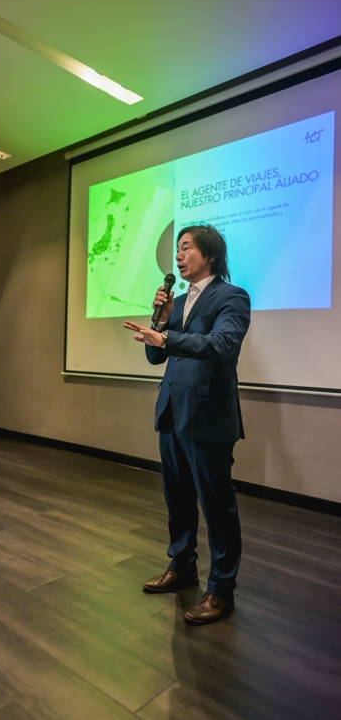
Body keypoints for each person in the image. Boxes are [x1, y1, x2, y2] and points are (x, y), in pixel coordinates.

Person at [124, 225, 251, 625]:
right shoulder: (177, 302)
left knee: (217, 506)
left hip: (208, 416)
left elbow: (222, 345)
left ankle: (221, 589)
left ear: (210, 255)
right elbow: (155, 358)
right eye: (177, 250)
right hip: (172, 413)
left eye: (186, 248)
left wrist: (167, 338)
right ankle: (182, 567)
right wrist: (161, 322)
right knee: (177, 500)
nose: (178, 256)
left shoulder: (231, 296)